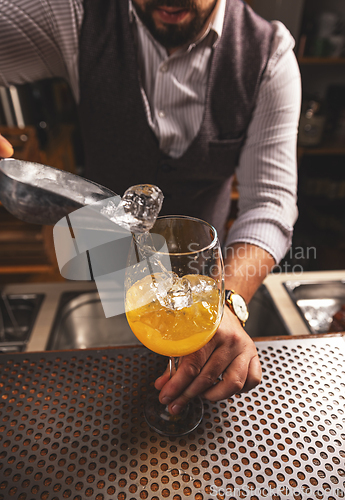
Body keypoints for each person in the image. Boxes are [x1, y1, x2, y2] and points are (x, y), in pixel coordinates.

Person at [0, 0, 301, 415]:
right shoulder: (75, 15)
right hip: (99, 271)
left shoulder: (269, 54)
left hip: (205, 286)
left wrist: (227, 302)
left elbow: (269, 202)